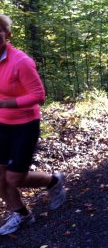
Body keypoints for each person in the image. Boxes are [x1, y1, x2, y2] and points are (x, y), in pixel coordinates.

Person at [0, 14, 66, 235]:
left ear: (6, 34)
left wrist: (5, 103)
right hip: (1, 123)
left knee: (14, 177)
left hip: (24, 124)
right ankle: (21, 214)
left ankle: (53, 181)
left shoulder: (21, 61)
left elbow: (39, 95)